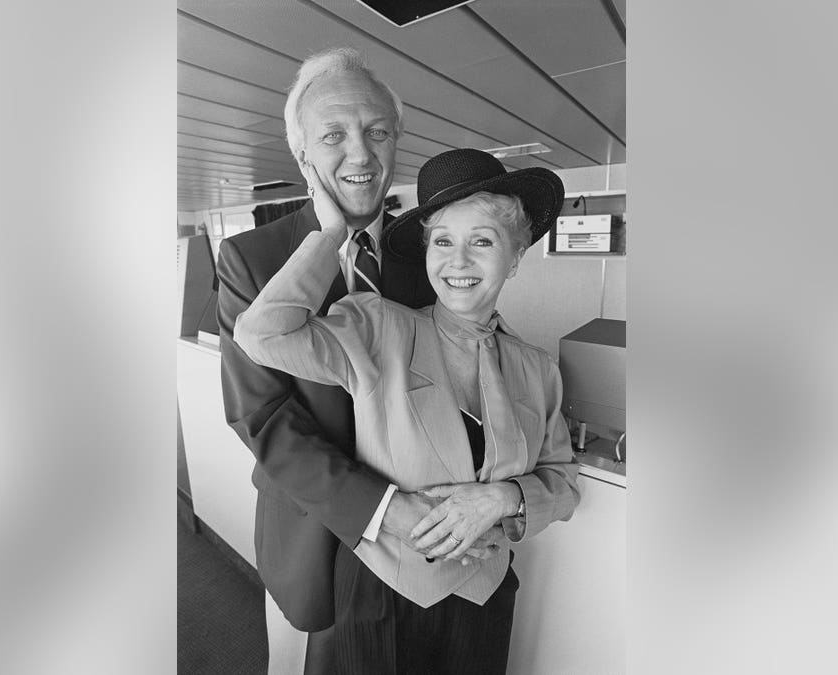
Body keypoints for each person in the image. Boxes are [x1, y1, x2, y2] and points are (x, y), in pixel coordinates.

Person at [233, 147, 581, 673]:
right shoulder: (378, 328)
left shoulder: (538, 368)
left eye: (481, 241)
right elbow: (261, 334)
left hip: (485, 596)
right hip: (381, 595)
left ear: (515, 257)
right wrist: (331, 235)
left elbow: (565, 484)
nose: (457, 262)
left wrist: (503, 498)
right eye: (442, 241)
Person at [217, 48, 498, 674]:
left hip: (428, 536)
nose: (362, 154)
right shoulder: (249, 259)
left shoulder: (428, 256)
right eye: (334, 135)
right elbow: (262, 419)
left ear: (397, 139)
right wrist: (381, 509)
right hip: (318, 532)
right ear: (303, 155)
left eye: (377, 131)